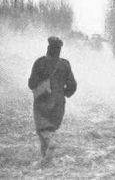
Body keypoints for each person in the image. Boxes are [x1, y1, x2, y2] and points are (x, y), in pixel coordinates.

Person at [28, 37, 77, 167]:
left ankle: (50, 145)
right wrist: (63, 93)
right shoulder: (65, 64)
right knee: (50, 128)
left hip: (42, 100)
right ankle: (46, 161)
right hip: (59, 102)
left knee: (43, 129)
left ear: (48, 48)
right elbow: (72, 85)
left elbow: (31, 83)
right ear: (59, 50)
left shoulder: (40, 62)